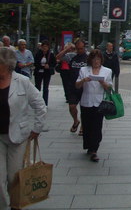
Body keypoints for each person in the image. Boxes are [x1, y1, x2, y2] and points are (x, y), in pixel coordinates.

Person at [0, 47, 47, 210]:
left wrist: (37, 128)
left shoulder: (22, 81)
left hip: (18, 137)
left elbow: (40, 105)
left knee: (14, 177)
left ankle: (15, 205)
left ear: (6, 65)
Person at [75, 49, 113, 162]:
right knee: (87, 126)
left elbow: (109, 88)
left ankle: (94, 150)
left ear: (101, 60)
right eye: (94, 59)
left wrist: (103, 82)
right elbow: (77, 85)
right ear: (90, 60)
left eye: (98, 59)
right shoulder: (84, 70)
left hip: (99, 102)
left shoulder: (107, 71)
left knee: (97, 126)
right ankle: (89, 146)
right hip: (86, 101)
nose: (96, 61)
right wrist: (84, 80)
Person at [56, 39, 88, 133]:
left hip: (84, 87)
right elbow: (58, 57)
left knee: (84, 108)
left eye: (81, 49)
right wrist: (67, 50)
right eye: (78, 49)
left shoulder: (88, 57)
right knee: (72, 107)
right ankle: (75, 121)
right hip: (73, 86)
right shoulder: (72, 56)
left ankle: (83, 126)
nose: (79, 51)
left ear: (84, 48)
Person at [34, 40, 56, 105]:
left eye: (46, 46)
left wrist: (49, 66)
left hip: (47, 72)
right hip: (38, 72)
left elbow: (54, 63)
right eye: (43, 46)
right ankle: (37, 101)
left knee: (45, 88)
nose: (45, 48)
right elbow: (35, 63)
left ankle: (45, 103)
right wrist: (42, 66)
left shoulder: (50, 54)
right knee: (37, 87)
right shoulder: (38, 53)